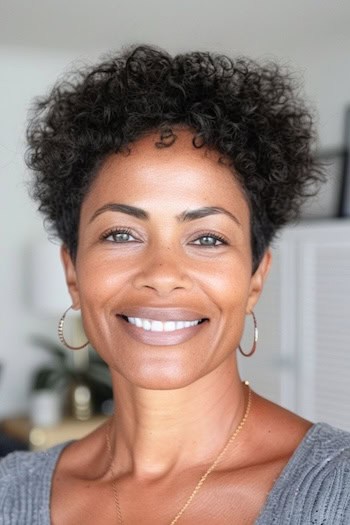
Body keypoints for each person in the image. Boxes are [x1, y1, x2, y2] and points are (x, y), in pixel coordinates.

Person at [1, 44, 349, 525]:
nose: (162, 274)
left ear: (254, 278)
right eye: (121, 234)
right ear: (73, 273)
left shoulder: (339, 492)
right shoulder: (9, 495)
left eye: (207, 238)